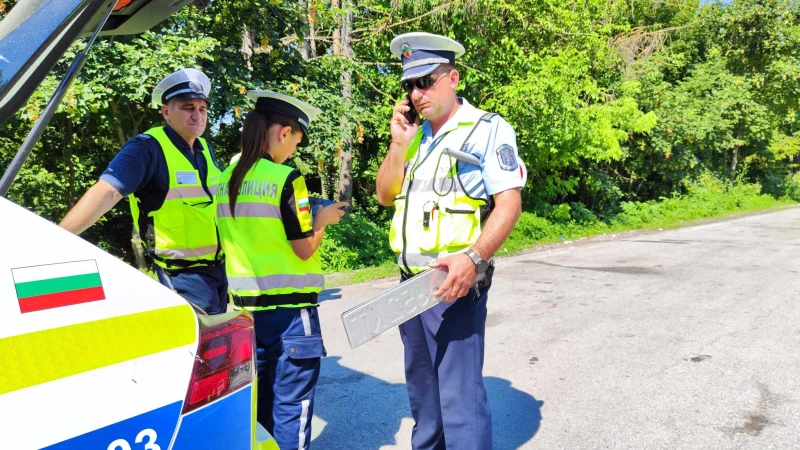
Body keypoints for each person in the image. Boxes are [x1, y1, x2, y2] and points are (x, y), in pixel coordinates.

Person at [375, 32, 528, 450]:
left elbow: (508, 204)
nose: (416, 92)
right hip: (409, 285)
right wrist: (398, 144)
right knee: (424, 400)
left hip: (454, 285)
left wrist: (474, 258)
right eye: (410, 84)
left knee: (459, 402)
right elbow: (384, 195)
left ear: (453, 77)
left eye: (426, 80)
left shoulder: (485, 129)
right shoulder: (415, 136)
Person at [214, 90, 347, 450]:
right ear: (284, 133)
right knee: (293, 406)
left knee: (257, 407)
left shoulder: (223, 180)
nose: (293, 152)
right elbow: (303, 249)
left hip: (244, 314)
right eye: (296, 142)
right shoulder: (289, 180)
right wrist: (322, 221)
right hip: (291, 316)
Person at [58, 68, 228, 315]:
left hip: (217, 272)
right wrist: (59, 237)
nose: (197, 116)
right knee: (199, 349)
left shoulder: (204, 148)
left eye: (202, 109)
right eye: (188, 107)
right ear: (166, 112)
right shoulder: (147, 147)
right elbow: (107, 192)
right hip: (181, 277)